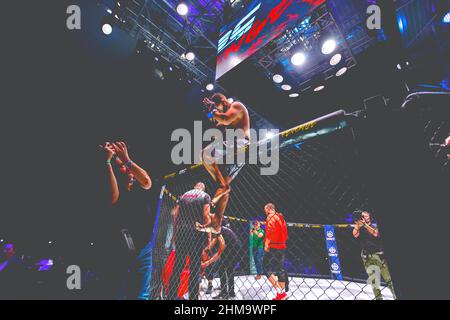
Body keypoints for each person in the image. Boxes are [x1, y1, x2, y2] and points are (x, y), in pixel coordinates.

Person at [99, 141, 152, 299]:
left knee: (143, 294)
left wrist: (126, 159)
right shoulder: (114, 185)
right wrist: (107, 161)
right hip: (120, 247)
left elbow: (147, 182)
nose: (126, 168)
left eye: (126, 164)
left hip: (144, 246)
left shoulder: (138, 183)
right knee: (120, 292)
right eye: (122, 165)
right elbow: (112, 198)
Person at [201, 93, 251, 232]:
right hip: (238, 150)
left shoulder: (236, 106)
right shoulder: (225, 114)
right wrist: (210, 114)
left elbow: (225, 119)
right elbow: (218, 125)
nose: (219, 111)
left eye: (219, 108)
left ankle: (223, 186)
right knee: (223, 184)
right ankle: (217, 222)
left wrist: (213, 111)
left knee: (206, 153)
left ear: (223, 101)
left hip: (241, 143)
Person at [168, 183, 212, 300]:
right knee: (195, 268)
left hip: (182, 232)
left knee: (178, 266)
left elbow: (174, 214)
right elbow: (206, 215)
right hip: (196, 232)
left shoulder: (183, 196)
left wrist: (175, 232)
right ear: (202, 188)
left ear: (194, 186)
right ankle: (193, 298)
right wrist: (208, 235)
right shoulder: (205, 196)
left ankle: (171, 296)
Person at [352, 210, 396, 300]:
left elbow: (376, 234)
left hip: (379, 256)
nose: (364, 218)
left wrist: (365, 225)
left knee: (389, 280)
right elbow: (355, 235)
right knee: (374, 281)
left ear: (369, 217)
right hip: (367, 257)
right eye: (362, 217)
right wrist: (357, 225)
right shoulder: (360, 227)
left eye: (366, 216)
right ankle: (378, 298)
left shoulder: (375, 225)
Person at [263, 203, 289, 301]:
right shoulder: (281, 217)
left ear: (269, 208)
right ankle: (281, 296)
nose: (265, 212)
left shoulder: (271, 217)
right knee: (280, 269)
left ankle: (280, 293)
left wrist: (267, 244)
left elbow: (270, 230)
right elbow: (286, 232)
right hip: (282, 245)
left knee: (265, 268)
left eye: (265, 209)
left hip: (273, 245)